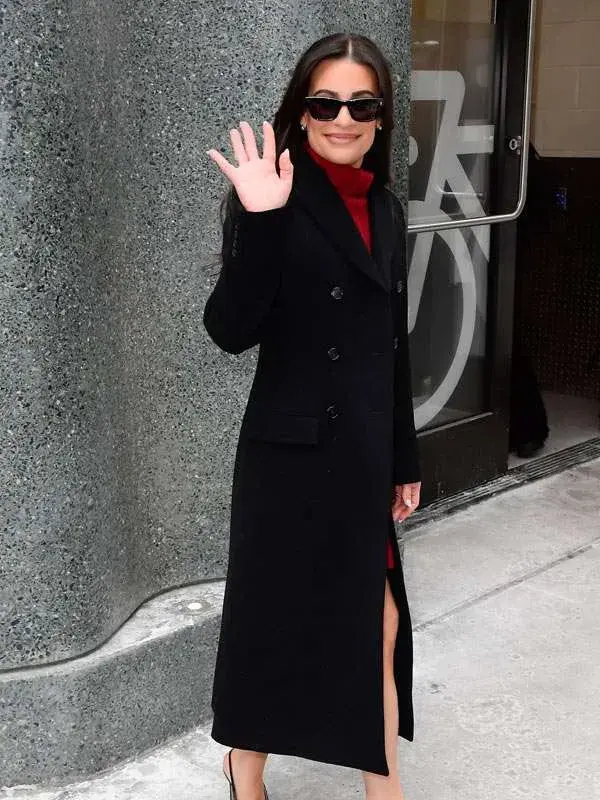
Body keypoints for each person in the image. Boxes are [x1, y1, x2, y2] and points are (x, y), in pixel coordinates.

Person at [204, 33, 421, 800]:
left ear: (382, 117)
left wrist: (404, 458)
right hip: (289, 460)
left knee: (378, 625)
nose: (343, 119)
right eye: (325, 104)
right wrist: (263, 219)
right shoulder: (270, 196)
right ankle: (245, 769)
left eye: (362, 105)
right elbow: (229, 331)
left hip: (360, 457)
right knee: (277, 629)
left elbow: (390, 346)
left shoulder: (387, 210)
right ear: (301, 112)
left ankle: (384, 792)